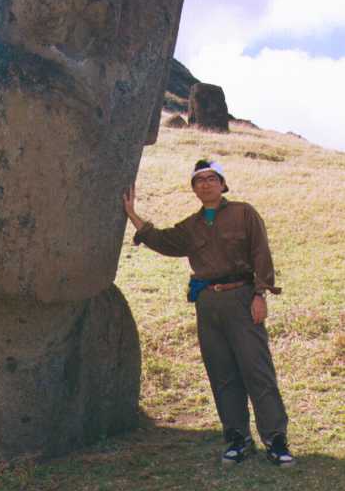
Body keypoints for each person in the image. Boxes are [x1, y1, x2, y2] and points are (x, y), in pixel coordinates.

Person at [122, 159, 294, 467]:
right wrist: (132, 214)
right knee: (222, 373)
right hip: (208, 304)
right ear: (194, 189)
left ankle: (276, 440)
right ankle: (237, 439)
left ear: (223, 184)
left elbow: (261, 252)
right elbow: (163, 240)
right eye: (199, 180)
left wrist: (260, 294)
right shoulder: (191, 226)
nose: (205, 184)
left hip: (242, 298)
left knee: (257, 370)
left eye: (211, 178)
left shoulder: (244, 213)